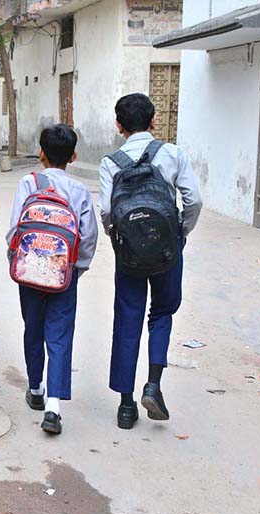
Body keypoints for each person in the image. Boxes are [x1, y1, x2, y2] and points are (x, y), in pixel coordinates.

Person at [98, 93, 203, 429]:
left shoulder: (111, 162)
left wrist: (119, 241)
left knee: (127, 319)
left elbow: (106, 211)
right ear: (154, 121)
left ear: (118, 125)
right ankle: (153, 385)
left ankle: (126, 406)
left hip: (128, 253)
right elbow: (194, 199)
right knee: (161, 312)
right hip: (167, 251)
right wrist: (180, 233)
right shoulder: (172, 153)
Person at [6, 125, 98, 435]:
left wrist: (16, 261)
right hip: (63, 275)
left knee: (33, 328)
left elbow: (15, 228)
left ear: (41, 153)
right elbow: (88, 237)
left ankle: (35, 389)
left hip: (29, 272)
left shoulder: (28, 183)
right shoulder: (80, 190)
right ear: (73, 156)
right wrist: (75, 269)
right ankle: (54, 406)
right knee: (59, 336)